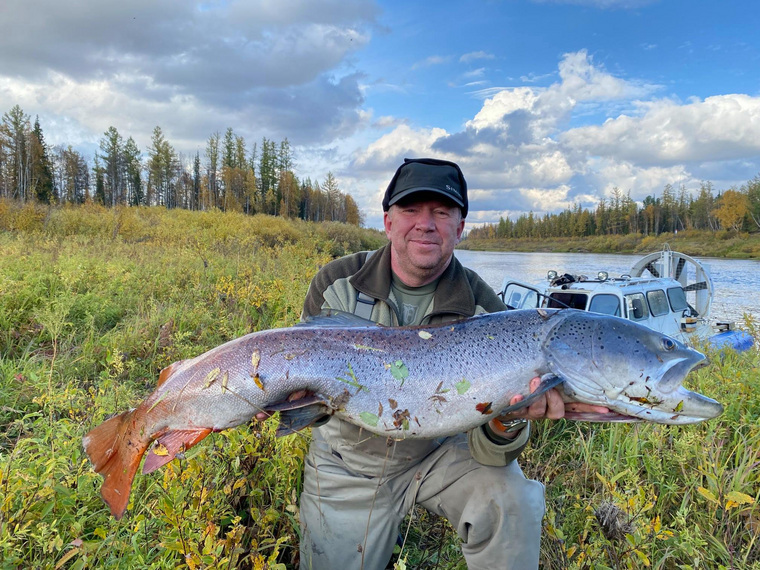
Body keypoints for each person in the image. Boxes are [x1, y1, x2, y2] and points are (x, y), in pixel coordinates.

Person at [289, 158, 606, 569]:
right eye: (411, 210)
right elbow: (306, 398)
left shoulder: (486, 310)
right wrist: (292, 401)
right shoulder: (337, 283)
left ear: (460, 228)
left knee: (511, 498)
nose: (426, 224)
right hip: (348, 463)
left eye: (441, 212)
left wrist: (508, 421)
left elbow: (492, 451)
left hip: (443, 453)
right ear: (388, 222)